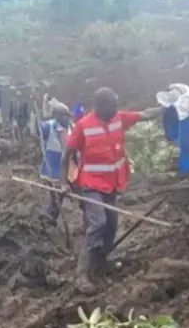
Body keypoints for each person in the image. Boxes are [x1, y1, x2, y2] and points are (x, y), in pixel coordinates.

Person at [60, 87, 164, 293]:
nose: (115, 110)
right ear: (99, 106)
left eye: (117, 106)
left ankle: (100, 263)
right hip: (90, 184)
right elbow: (66, 157)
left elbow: (145, 114)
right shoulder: (83, 126)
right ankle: (82, 274)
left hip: (112, 184)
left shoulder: (119, 118)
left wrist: (167, 108)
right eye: (112, 106)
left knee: (111, 226)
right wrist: (63, 183)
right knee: (98, 223)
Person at [156, 83, 189, 174]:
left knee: (187, 147)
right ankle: (185, 168)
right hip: (179, 120)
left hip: (188, 122)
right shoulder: (173, 104)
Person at [39, 96, 73, 225]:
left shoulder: (71, 127)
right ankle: (53, 213)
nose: (66, 118)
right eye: (64, 116)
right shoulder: (49, 126)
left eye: (67, 115)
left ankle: (54, 212)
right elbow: (39, 130)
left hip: (68, 166)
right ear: (57, 116)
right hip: (52, 164)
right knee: (54, 193)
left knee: (62, 192)